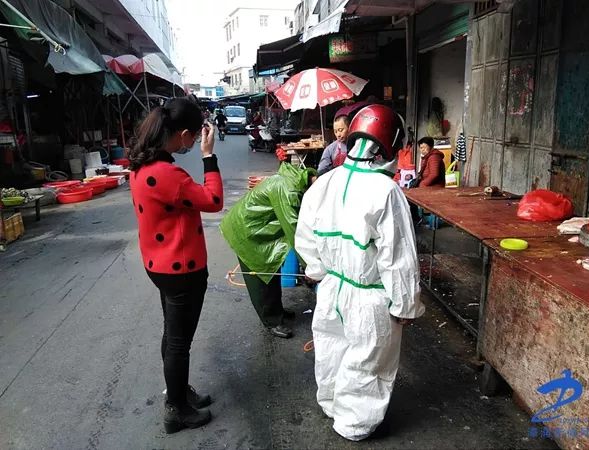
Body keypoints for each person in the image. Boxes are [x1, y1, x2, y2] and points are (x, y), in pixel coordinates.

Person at [295, 104, 425, 441]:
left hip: (331, 290)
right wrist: (404, 305)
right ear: (390, 145)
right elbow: (398, 257)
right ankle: (354, 425)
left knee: (332, 349)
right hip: (369, 296)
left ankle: (331, 404)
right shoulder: (387, 191)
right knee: (367, 360)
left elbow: (305, 237)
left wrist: (318, 270)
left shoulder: (325, 183)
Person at [128, 98, 223, 434]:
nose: (195, 142)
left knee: (173, 334)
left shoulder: (142, 165)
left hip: (160, 265)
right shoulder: (168, 174)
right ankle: (177, 409)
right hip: (182, 269)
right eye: (195, 137)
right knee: (179, 342)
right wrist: (208, 157)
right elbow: (213, 200)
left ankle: (178, 393)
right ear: (183, 135)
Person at [220, 162, 317, 339]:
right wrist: (310, 267)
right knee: (260, 278)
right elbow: (295, 232)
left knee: (272, 271)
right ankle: (271, 320)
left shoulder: (296, 179)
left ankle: (276, 310)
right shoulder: (288, 191)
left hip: (259, 227)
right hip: (247, 231)